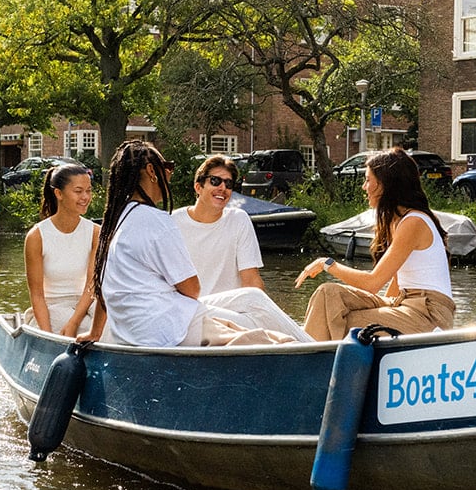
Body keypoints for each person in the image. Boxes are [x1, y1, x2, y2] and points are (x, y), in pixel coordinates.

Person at [86, 140, 311, 347]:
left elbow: (102, 286)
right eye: (167, 165)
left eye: (229, 183)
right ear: (152, 171)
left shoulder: (117, 221)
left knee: (250, 303)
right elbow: (192, 289)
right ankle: (318, 351)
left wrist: (95, 333)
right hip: (170, 328)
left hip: (139, 328)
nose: (170, 173)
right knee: (256, 310)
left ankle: (307, 345)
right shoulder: (160, 221)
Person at [295, 147, 456, 340]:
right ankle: (311, 354)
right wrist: (381, 305)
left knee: (339, 318)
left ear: (385, 184)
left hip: (429, 314)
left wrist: (327, 264)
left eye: (368, 179)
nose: (364, 186)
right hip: (403, 304)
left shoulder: (414, 222)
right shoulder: (398, 221)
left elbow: (372, 283)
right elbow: (396, 283)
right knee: (328, 293)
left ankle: (307, 360)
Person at [172, 155, 265, 295]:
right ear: (198, 187)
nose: (223, 188)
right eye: (215, 181)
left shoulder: (239, 220)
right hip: (189, 311)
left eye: (228, 184)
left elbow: (251, 281)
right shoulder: (173, 223)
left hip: (230, 311)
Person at [24, 162, 97, 336]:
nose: (85, 197)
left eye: (88, 191)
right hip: (52, 308)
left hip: (86, 307)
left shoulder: (96, 233)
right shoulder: (36, 236)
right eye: (78, 191)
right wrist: (48, 336)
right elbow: (37, 295)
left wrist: (74, 322)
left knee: (111, 326)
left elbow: (92, 285)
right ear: (58, 193)